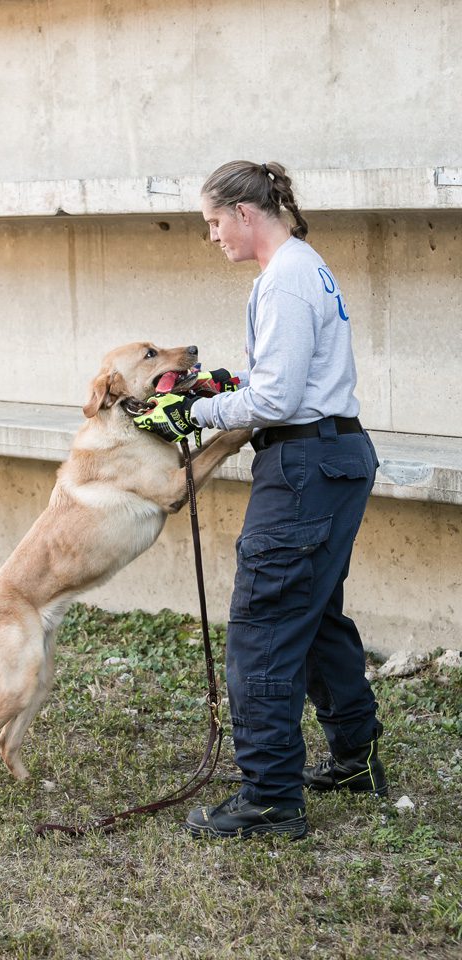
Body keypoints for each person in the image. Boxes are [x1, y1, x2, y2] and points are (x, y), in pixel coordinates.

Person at [132, 160, 387, 840]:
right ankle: (356, 761)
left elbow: (275, 400)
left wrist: (191, 416)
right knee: (315, 618)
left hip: (305, 463)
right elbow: (280, 378)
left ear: (245, 214)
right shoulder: (303, 268)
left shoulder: (284, 280)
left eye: (214, 222)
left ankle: (271, 799)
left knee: (264, 627)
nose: (213, 236)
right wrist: (221, 385)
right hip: (332, 454)